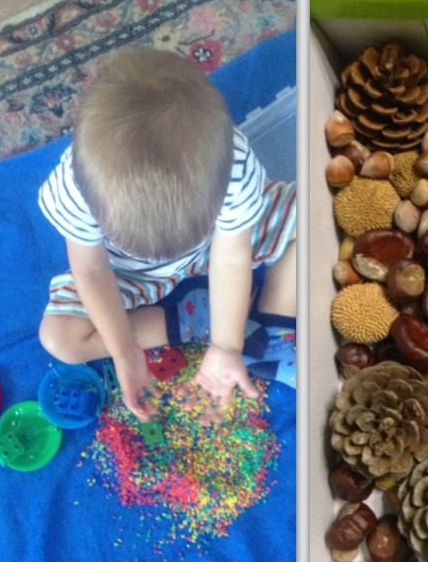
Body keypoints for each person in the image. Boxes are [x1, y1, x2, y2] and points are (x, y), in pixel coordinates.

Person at [37, 46, 296, 423]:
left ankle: (273, 328)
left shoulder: (232, 165)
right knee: (60, 338)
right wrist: (125, 351)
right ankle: (194, 317)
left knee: (311, 214)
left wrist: (227, 345)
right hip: (126, 271)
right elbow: (91, 270)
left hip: (218, 245)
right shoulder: (75, 186)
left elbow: (230, 258)